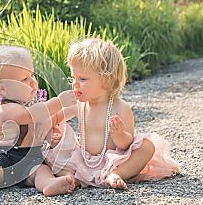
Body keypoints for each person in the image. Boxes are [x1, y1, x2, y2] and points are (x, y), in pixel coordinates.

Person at [45, 38, 180, 190]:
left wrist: (119, 134)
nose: (75, 84)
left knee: (147, 147)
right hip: (83, 159)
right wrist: (53, 132)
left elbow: (126, 144)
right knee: (53, 152)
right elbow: (54, 119)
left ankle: (115, 174)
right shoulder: (78, 104)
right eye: (73, 78)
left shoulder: (120, 108)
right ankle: (70, 179)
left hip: (113, 160)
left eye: (82, 79)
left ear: (106, 80)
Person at [0, 45, 77, 201]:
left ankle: (49, 184)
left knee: (41, 171)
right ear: (2, 89)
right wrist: (58, 102)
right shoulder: (7, 109)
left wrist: (76, 109)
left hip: (31, 160)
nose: (33, 83)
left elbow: (51, 119)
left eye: (32, 75)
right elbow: (29, 116)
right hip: (5, 158)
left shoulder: (34, 105)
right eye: (24, 79)